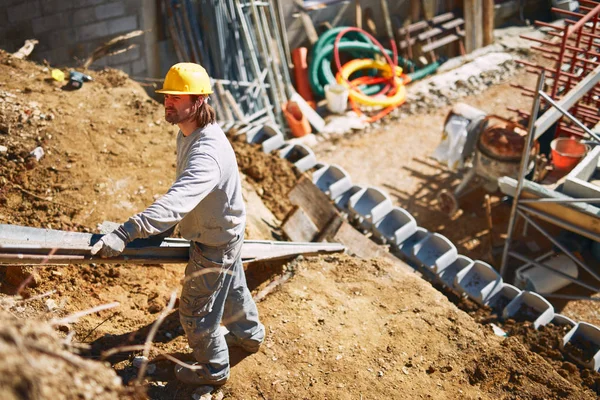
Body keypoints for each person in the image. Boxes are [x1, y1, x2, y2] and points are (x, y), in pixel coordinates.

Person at [90, 62, 265, 387]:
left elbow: (179, 198)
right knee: (232, 289)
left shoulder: (206, 153)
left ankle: (214, 371)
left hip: (215, 242)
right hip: (224, 230)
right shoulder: (189, 133)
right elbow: (186, 194)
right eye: (167, 95)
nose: (168, 101)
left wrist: (127, 231)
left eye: (177, 97)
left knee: (196, 315)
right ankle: (251, 336)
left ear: (198, 101)